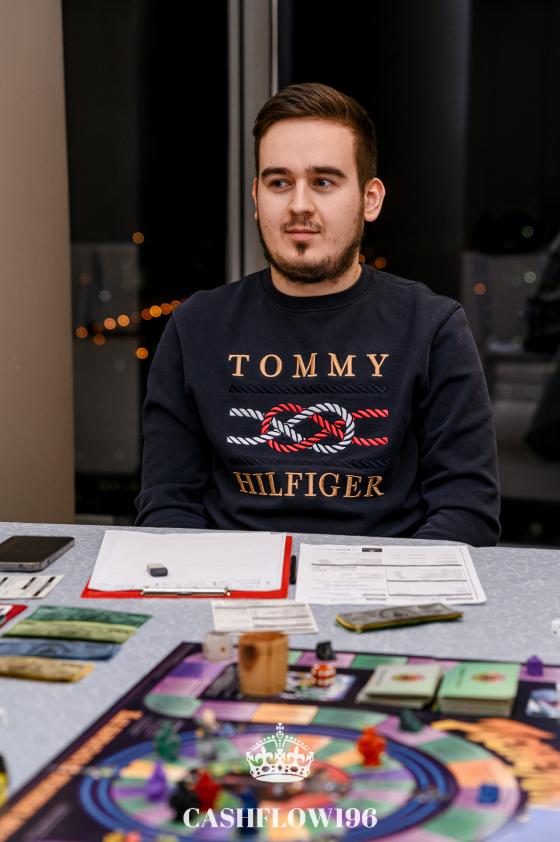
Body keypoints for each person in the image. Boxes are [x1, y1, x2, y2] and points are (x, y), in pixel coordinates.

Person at [135, 82, 500, 546]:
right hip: (234, 579)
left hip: (382, 578)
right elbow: (168, 506)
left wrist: (379, 584)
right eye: (279, 182)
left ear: (370, 199)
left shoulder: (431, 327)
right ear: (256, 197)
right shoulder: (196, 326)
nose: (299, 205)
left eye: (324, 182)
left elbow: (467, 512)